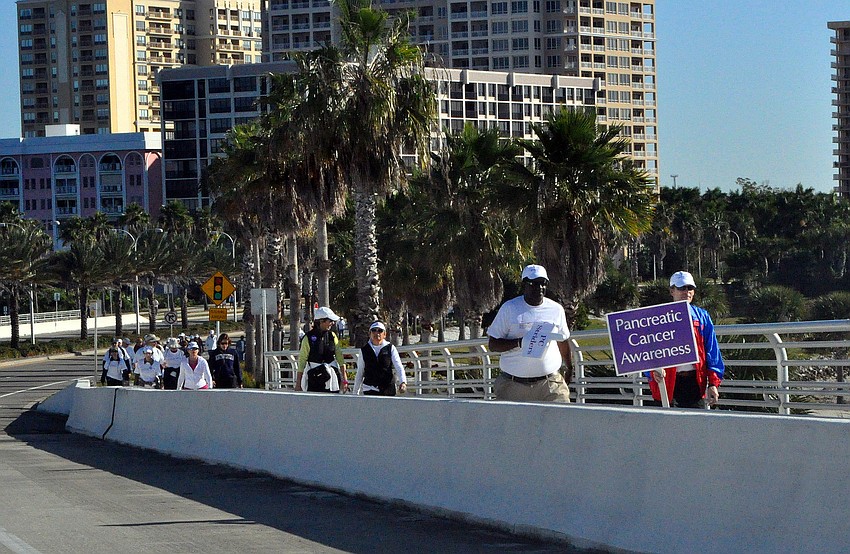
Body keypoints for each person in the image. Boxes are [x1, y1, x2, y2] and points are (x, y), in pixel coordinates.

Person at [487, 264, 572, 403]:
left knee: (561, 421)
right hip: (514, 386)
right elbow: (493, 344)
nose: (539, 288)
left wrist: (569, 366)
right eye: (533, 283)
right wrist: (519, 342)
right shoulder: (510, 308)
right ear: (524, 285)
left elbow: (563, 339)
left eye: (542, 283)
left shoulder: (556, 309)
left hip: (550, 384)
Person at [649, 271, 725, 408]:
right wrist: (651, 372)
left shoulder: (702, 317)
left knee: (696, 427)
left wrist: (713, 383)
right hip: (666, 383)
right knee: (667, 427)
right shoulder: (658, 318)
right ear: (672, 291)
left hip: (695, 383)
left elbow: (712, 351)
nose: (686, 292)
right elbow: (645, 352)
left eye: (690, 288)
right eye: (681, 288)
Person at [296, 306, 347, 393]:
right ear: (321, 321)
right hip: (315, 377)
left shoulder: (332, 336)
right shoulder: (308, 338)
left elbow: (340, 358)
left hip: (332, 378)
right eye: (330, 321)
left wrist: (344, 380)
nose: (332, 323)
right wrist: (298, 383)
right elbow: (302, 361)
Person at [353, 321, 407, 396]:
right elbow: (360, 372)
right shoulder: (364, 350)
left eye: (380, 331)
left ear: (384, 334)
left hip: (388, 389)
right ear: (370, 334)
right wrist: (355, 393)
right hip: (370, 388)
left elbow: (399, 366)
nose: (377, 333)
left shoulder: (390, 348)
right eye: (374, 330)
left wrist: (403, 382)